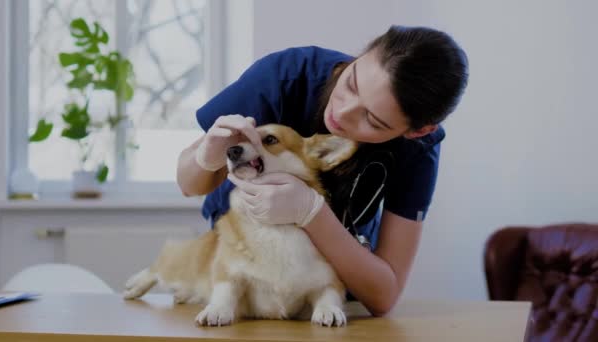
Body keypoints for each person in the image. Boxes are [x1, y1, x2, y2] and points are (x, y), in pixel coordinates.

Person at [177, 25, 469, 316]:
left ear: (418, 132)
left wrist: (312, 214)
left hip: (328, 298)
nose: (342, 113)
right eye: (352, 83)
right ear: (364, 52)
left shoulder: (419, 150)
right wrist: (206, 159)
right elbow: (188, 184)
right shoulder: (285, 76)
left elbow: (384, 295)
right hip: (244, 277)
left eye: (373, 120)